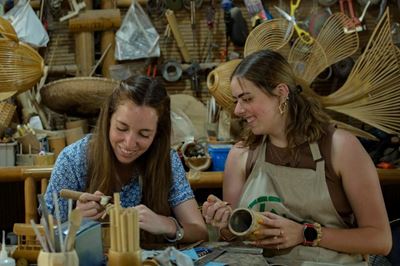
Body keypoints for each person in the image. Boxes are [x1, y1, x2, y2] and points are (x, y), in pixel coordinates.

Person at [202, 49, 392, 265]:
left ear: (281, 93)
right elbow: (234, 240)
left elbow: (380, 240)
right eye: (237, 100)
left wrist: (305, 233)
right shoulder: (241, 155)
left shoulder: (340, 148)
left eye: (247, 99)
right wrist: (225, 225)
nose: (238, 110)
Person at [44, 75, 208, 244]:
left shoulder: (167, 161)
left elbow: (200, 231)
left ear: (158, 133)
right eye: (121, 128)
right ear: (108, 120)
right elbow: (44, 237)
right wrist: (76, 222)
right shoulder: (73, 159)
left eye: (144, 134)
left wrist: (166, 225)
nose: (129, 143)